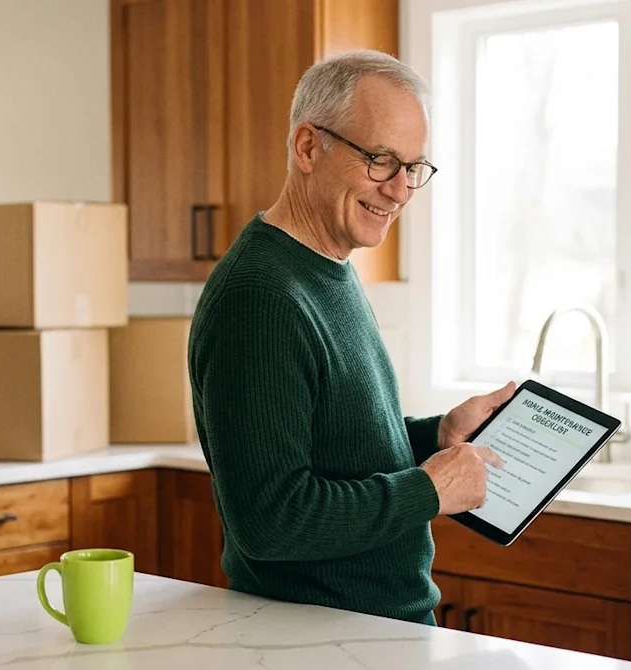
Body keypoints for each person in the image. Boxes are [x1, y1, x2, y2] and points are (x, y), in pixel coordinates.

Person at [186, 49, 516, 626]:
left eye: (413, 168)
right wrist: (428, 491)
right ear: (308, 147)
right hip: (317, 637)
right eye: (381, 160)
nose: (399, 191)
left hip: (369, 632)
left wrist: (435, 436)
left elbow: (338, 452)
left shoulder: (327, 264)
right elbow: (271, 520)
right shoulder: (261, 296)